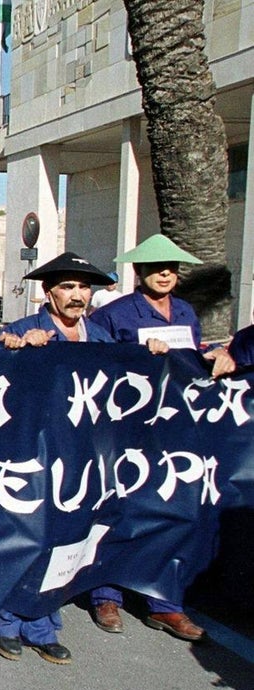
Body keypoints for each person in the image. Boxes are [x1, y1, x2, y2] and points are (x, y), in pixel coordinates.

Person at [86, 233, 235, 640]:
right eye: (155, 267)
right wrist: (138, 354)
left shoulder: (185, 311)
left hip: (174, 427)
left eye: (171, 268)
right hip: (126, 426)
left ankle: (165, 603)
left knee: (172, 508)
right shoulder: (114, 314)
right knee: (118, 508)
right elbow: (93, 362)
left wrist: (213, 354)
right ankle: (106, 595)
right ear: (139, 271)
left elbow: (191, 359)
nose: (164, 274)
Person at [0, 251, 117, 665]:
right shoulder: (25, 329)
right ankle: (6, 620)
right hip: (33, 452)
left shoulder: (101, 338)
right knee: (27, 537)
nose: (77, 295)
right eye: (67, 287)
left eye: (83, 287)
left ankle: (42, 623)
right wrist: (15, 351)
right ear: (49, 292)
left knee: (65, 538)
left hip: (82, 454)